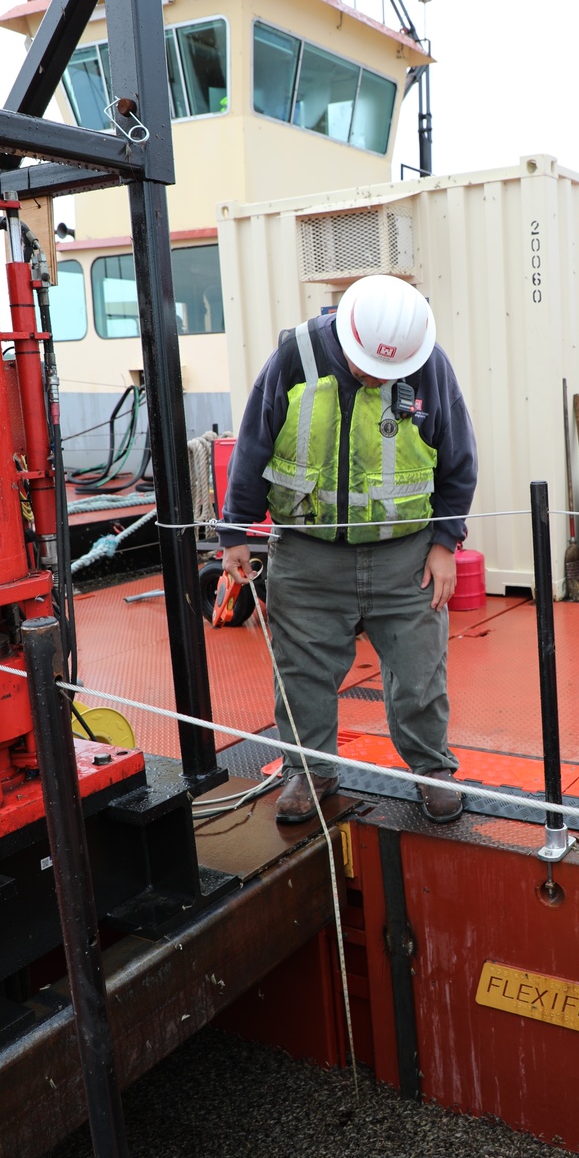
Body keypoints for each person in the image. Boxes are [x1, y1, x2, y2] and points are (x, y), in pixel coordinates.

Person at [218, 274, 478, 825]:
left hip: (407, 558)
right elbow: (253, 443)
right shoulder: (293, 358)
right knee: (302, 672)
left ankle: (432, 769)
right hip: (307, 556)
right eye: (366, 365)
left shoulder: (429, 365)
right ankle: (308, 770)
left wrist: (445, 545)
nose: (374, 376)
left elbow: (458, 463)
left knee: (419, 671)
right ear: (345, 331)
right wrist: (235, 534)